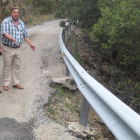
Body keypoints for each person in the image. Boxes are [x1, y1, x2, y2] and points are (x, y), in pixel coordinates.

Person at [1, 7, 35, 91]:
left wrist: (31, 44)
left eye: (17, 12)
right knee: (7, 66)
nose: (16, 14)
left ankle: (16, 83)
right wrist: (12, 38)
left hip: (18, 48)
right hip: (8, 48)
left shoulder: (21, 23)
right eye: (14, 12)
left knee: (17, 66)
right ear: (11, 13)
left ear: (19, 14)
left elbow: (25, 35)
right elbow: (4, 33)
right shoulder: (6, 21)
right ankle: (6, 84)